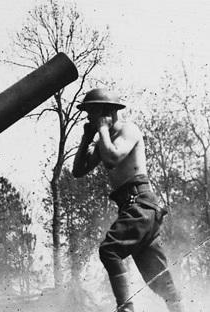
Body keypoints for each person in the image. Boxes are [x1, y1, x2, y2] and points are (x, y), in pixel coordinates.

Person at [72, 88, 184, 312]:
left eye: (91, 112)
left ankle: (126, 308)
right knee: (160, 281)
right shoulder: (105, 139)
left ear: (106, 112)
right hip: (133, 208)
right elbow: (79, 170)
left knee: (109, 250)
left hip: (140, 204)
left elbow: (113, 158)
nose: (88, 118)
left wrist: (102, 128)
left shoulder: (128, 130)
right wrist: (86, 138)